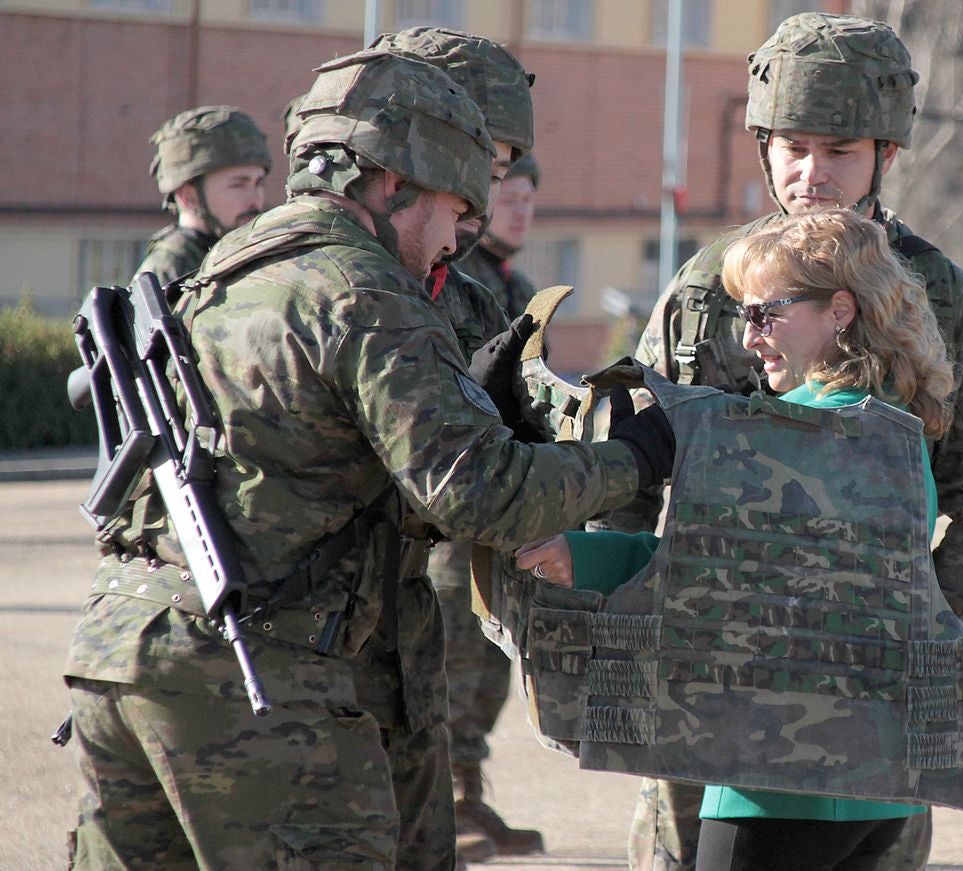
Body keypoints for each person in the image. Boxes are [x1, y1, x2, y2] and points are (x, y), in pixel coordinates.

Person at [62, 48, 674, 870]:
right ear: (392, 185)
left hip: (118, 659)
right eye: (456, 209)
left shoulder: (232, 266)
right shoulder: (363, 290)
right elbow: (482, 493)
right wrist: (631, 458)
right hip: (253, 677)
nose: (455, 243)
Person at [619, 13, 963, 870]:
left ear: (886, 152)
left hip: (868, 704)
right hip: (709, 682)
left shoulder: (944, 300)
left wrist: (913, 633)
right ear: (764, 145)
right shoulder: (708, 292)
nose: (812, 173)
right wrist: (636, 628)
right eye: (793, 147)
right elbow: (633, 478)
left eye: (839, 150)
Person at [518, 208, 956, 871]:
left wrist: (578, 544)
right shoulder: (893, 429)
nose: (749, 338)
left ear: (840, 311)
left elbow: (705, 569)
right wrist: (575, 554)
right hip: (882, 784)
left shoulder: (794, 433)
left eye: (765, 314)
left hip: (777, 777)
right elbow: (735, 558)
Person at [365, 27, 549, 862]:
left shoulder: (466, 294)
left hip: (401, 657)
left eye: (503, 174)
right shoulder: (327, 279)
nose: (483, 202)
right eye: (478, 167)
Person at [136, 105, 271, 284]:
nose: (255, 199)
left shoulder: (244, 255)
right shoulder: (169, 269)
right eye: (238, 185)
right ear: (188, 196)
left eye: (258, 183)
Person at [460, 153, 540, 318]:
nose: (521, 213)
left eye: (527, 199)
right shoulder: (457, 281)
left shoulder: (521, 289)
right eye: (509, 200)